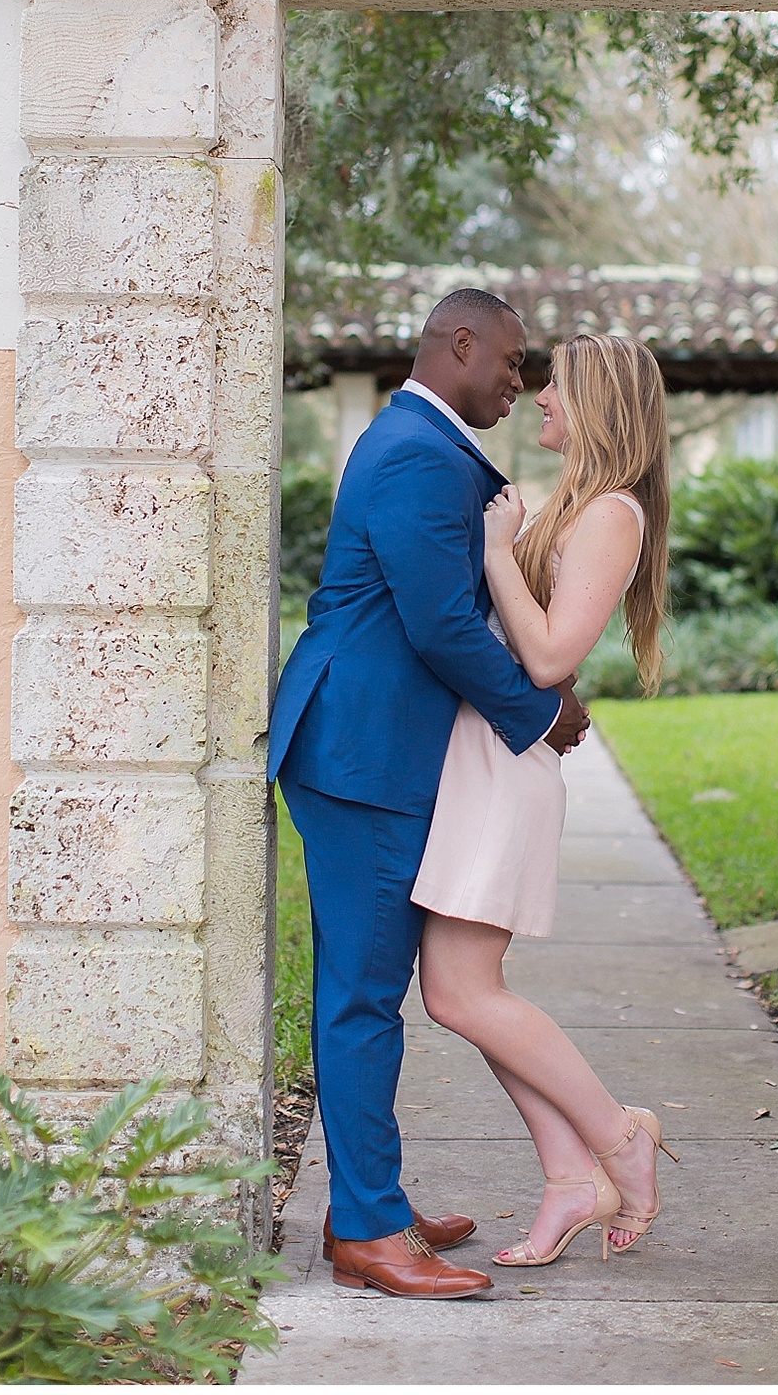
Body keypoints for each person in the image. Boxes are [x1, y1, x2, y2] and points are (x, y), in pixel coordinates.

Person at [269, 289, 590, 1300]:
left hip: (379, 751)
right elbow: (440, 623)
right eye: (510, 361)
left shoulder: (423, 441)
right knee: (364, 996)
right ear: (461, 344)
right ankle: (366, 1233)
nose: (520, 379)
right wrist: (540, 716)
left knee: (375, 991)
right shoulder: (416, 450)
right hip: (361, 755)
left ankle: (375, 1202)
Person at [410, 331, 681, 1270]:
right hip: (482, 758)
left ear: (598, 404)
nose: (539, 401)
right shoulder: (575, 505)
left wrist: (493, 552)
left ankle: (615, 1138)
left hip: (506, 770)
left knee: (461, 992)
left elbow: (551, 658)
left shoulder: (611, 512)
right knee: (459, 993)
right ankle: (571, 1173)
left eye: (557, 389)